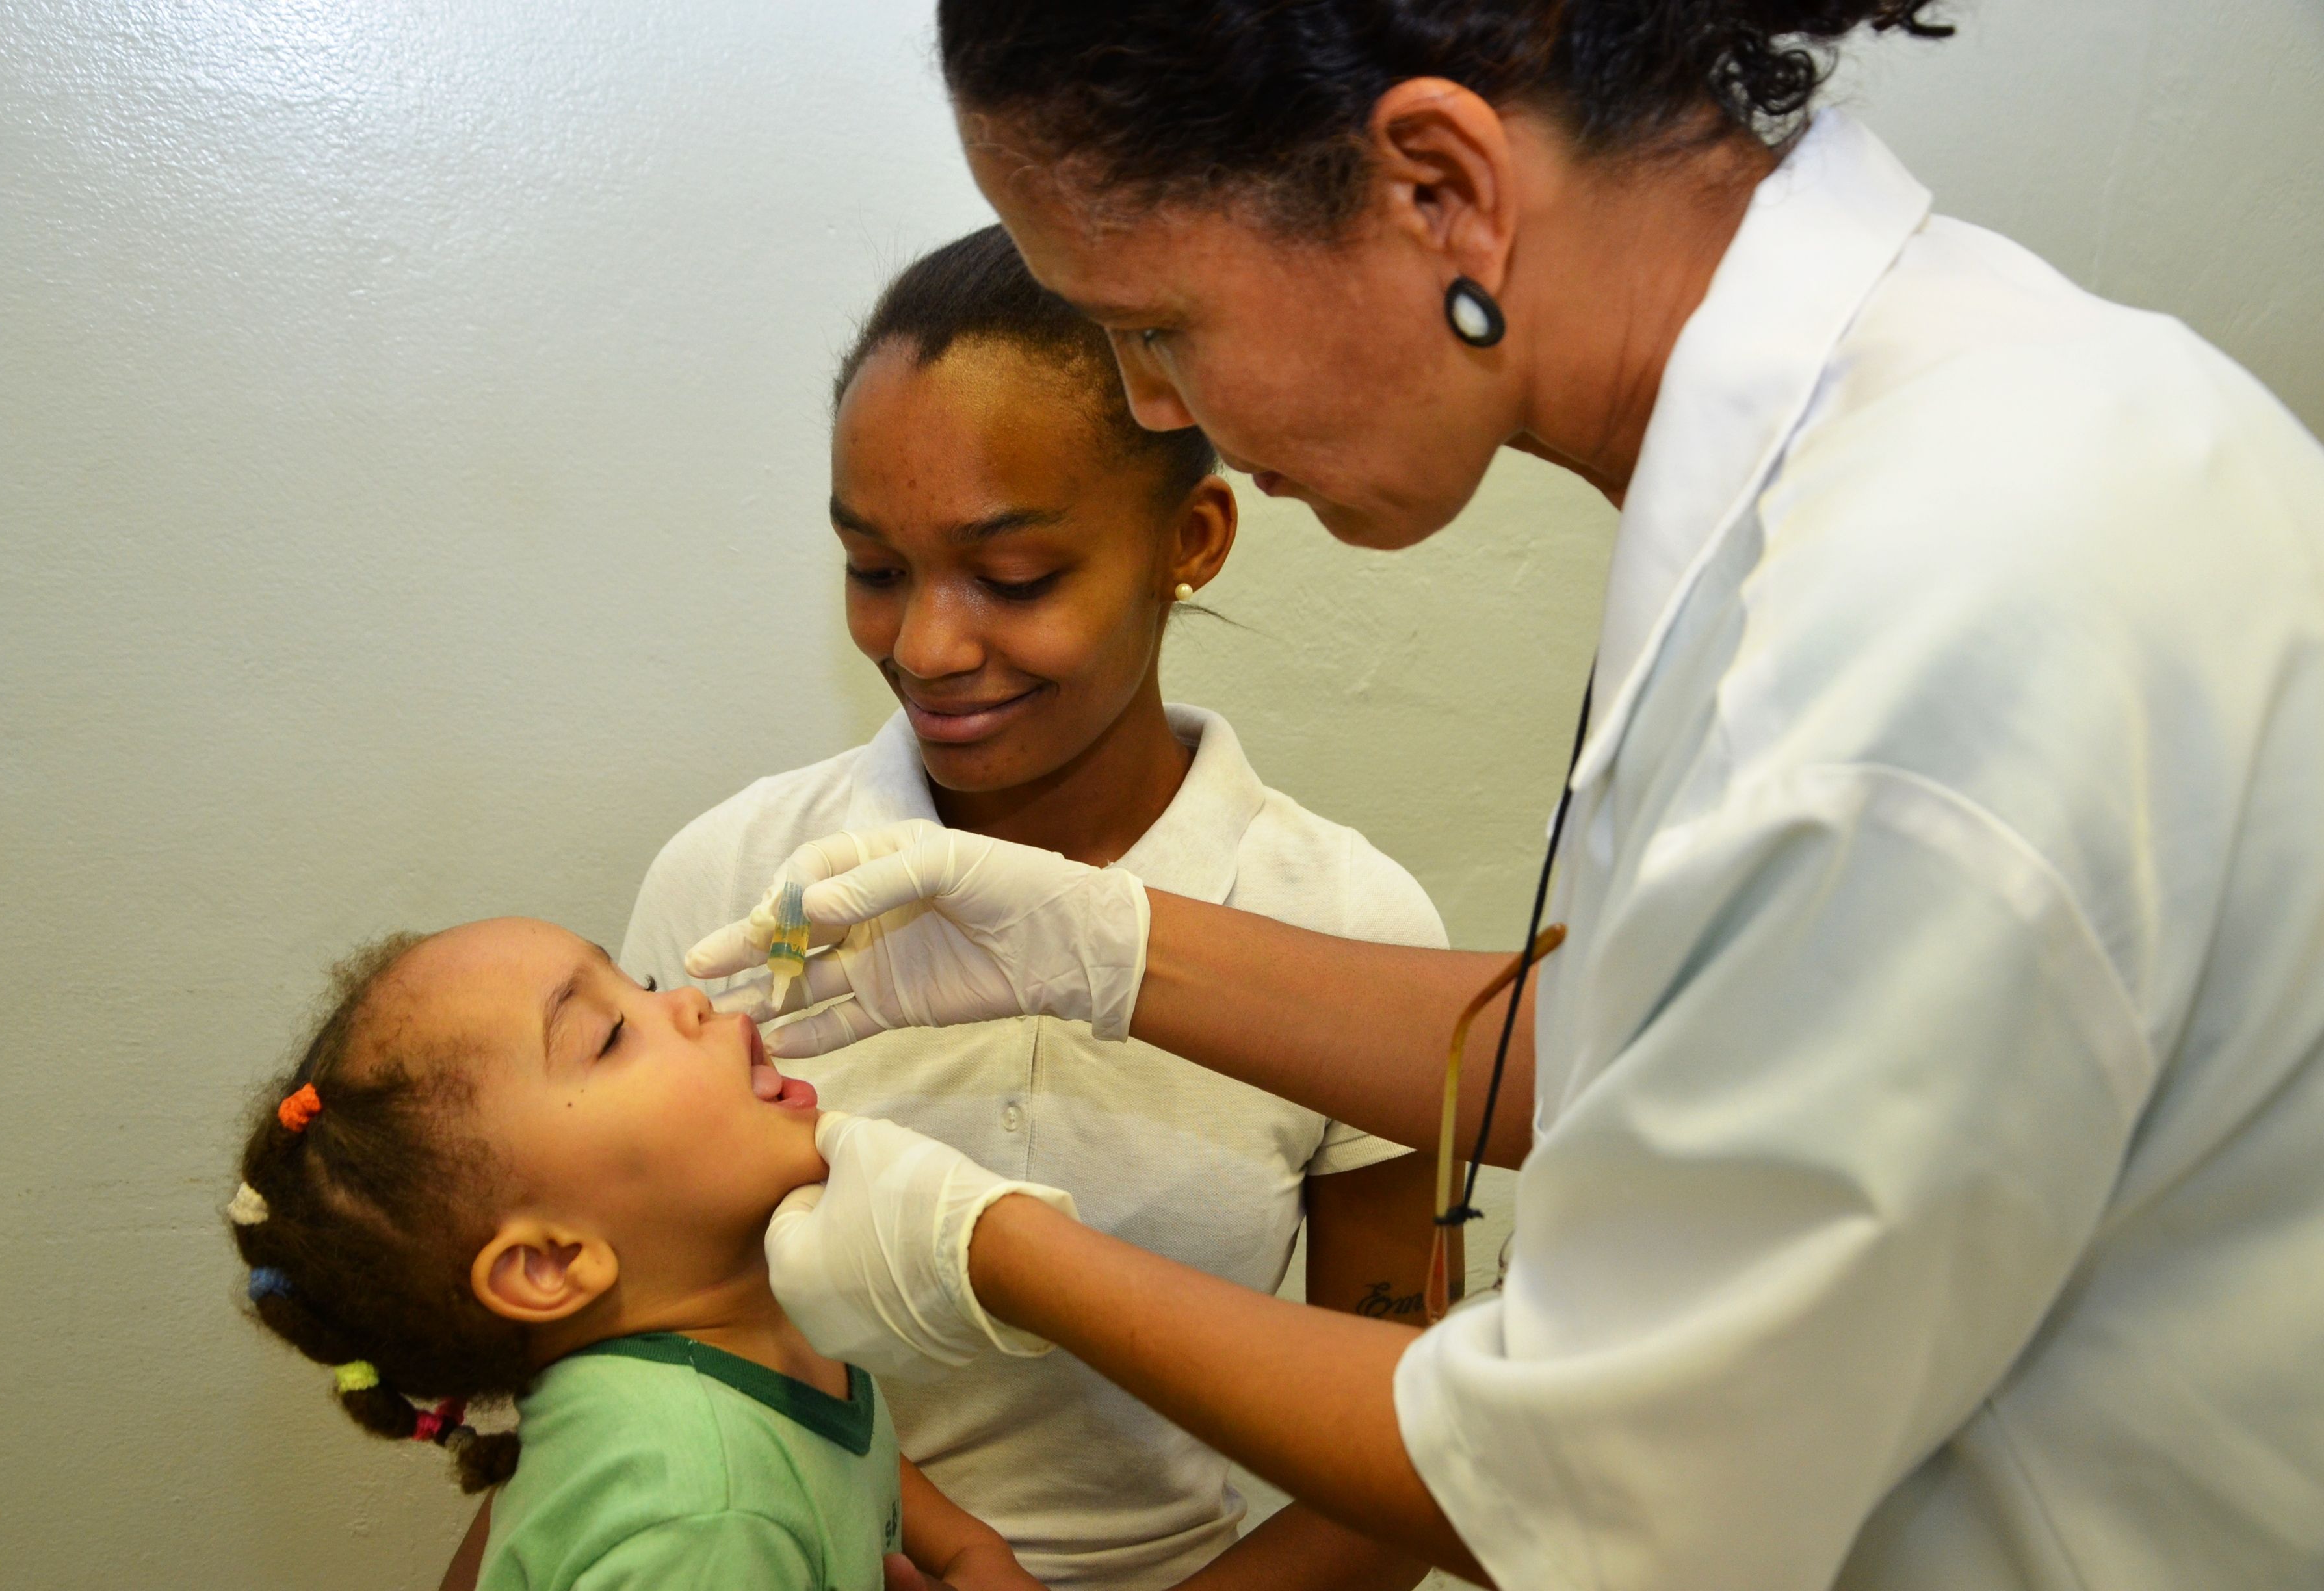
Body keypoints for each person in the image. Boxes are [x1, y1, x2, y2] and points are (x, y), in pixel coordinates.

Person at [687, 3, 2324, 1588]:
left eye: (1156, 322)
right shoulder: (1946, 428)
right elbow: (1669, 1035)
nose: (1153, 407)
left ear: (1439, 190)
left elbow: (1600, 1491)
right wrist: (1092, 942)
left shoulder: (1926, 621)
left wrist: (981, 1242)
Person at [618, 224, 1444, 1591]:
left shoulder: (1350, 934)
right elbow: (624, 1340)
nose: (927, 648)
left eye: (1013, 577)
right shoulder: (738, 883)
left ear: (1192, 538)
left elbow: (1408, 1452)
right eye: (874, 570)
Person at [226, 919, 1049, 1591]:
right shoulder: (702, 1519)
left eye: (642, 985)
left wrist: (973, 1552)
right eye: (611, 1034)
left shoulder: (756, 1339)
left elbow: (843, 1454)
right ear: (550, 1263)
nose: (687, 1002)